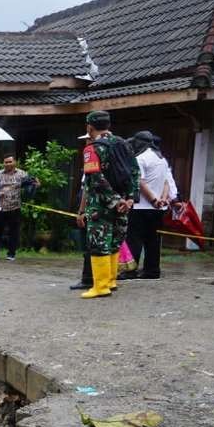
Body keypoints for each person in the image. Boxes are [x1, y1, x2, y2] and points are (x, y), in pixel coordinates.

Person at [79, 110, 138, 298]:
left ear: (89, 127)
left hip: (100, 206)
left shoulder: (91, 149)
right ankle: (111, 281)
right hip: (124, 205)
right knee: (115, 242)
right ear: (108, 125)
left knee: (99, 244)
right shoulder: (124, 145)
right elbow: (134, 172)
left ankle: (101, 286)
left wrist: (114, 200)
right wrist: (129, 198)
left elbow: (95, 178)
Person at [123, 131, 176, 280]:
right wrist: (163, 199)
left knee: (134, 239)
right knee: (153, 240)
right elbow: (167, 182)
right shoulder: (162, 159)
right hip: (158, 209)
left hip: (141, 207)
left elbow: (140, 182)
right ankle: (152, 271)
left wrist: (153, 200)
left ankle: (130, 271)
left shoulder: (140, 158)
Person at [0, 154, 28, 260]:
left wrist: (36, 183)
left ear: (14, 162)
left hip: (14, 207)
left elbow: (30, 183)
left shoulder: (22, 174)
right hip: (0, 207)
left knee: (14, 232)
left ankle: (11, 254)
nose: (8, 164)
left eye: (10, 162)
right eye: (6, 162)